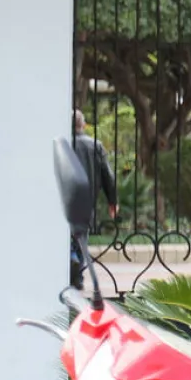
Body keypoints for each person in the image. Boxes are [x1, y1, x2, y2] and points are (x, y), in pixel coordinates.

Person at [70, 110, 118, 289]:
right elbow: (107, 175)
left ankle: (71, 261)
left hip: (66, 197)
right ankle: (79, 277)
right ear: (83, 124)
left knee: (67, 236)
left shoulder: (65, 143)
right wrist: (112, 200)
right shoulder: (95, 145)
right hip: (86, 199)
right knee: (81, 237)